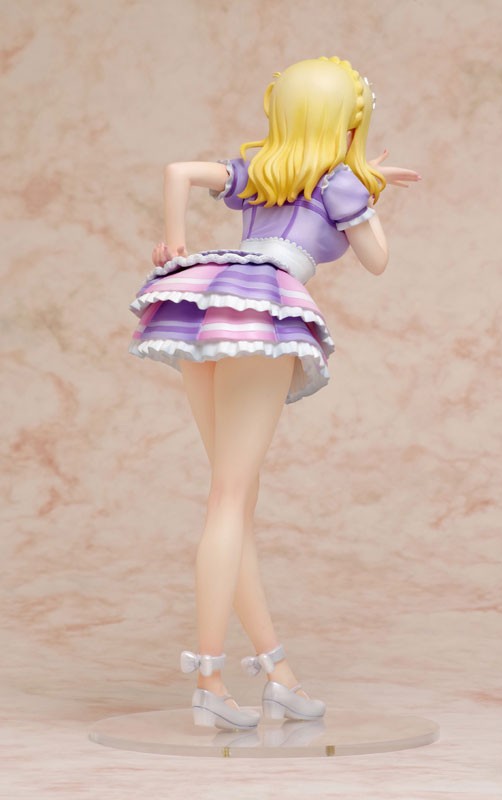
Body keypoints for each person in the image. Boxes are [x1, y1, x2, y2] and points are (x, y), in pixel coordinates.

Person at [128, 56, 421, 731]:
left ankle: (277, 674)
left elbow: (178, 171)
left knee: (232, 501)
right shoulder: (340, 182)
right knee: (230, 501)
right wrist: (367, 191)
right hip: (261, 305)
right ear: (348, 121)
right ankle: (207, 679)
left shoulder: (265, 167)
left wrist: (176, 244)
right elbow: (377, 260)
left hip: (204, 292)